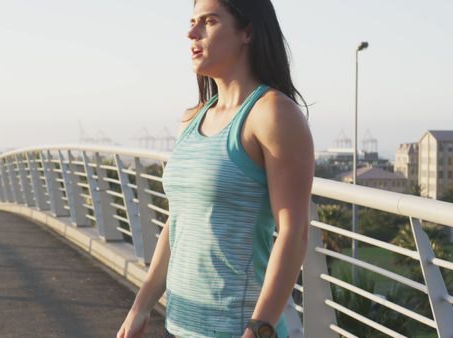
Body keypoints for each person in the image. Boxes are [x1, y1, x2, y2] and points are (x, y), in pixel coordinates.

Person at [117, 0, 314, 337]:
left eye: (208, 21)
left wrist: (259, 328)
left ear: (247, 32)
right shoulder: (191, 119)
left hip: (238, 329)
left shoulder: (272, 115)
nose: (192, 32)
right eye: (192, 22)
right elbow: (178, 222)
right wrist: (141, 305)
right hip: (180, 325)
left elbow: (294, 233)